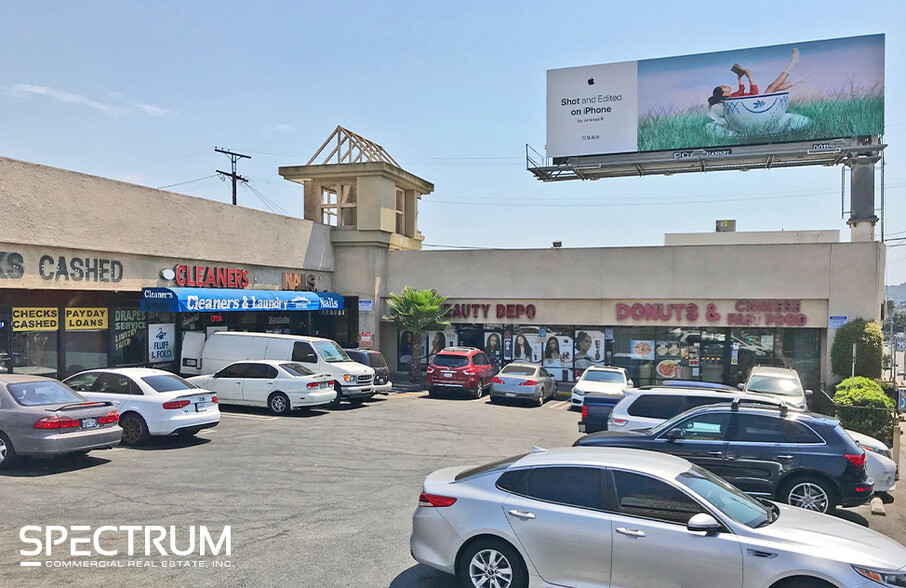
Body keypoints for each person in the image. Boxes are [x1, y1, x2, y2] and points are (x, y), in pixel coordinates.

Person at [708, 48, 801, 108]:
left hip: (755, 104)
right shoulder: (732, 99)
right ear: (724, 94)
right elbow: (754, 94)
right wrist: (750, 77)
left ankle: (799, 79)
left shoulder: (731, 97)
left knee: (774, 87)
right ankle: (792, 64)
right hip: (757, 106)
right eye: (724, 86)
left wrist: (739, 80)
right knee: (772, 87)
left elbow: (740, 92)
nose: (727, 85)